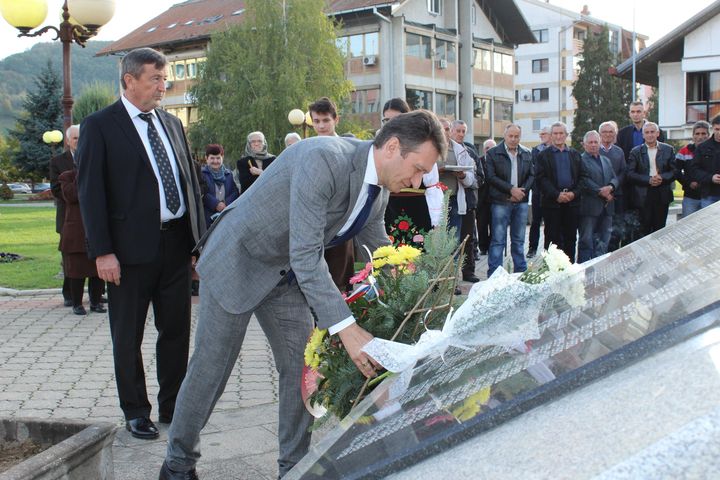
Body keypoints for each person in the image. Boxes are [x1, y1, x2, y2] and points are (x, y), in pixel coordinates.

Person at [159, 110, 447, 480]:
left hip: (286, 276)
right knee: (211, 368)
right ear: (393, 147)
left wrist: (414, 288)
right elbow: (307, 254)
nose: (418, 181)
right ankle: (177, 464)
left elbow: (378, 248)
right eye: (419, 169)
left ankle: (292, 469)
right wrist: (346, 328)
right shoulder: (324, 159)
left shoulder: (379, 189)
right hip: (240, 260)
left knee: (302, 370)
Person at [77, 47, 205, 441]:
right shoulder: (100, 125)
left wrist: (199, 244)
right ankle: (135, 411)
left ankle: (173, 406)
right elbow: (90, 194)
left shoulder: (171, 123)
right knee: (127, 335)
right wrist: (102, 252)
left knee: (176, 331)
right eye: (155, 79)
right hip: (127, 254)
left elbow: (189, 183)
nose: (163, 86)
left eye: (165, 79)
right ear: (129, 80)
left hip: (176, 246)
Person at [307, 97, 355, 292]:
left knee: (339, 281)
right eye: (316, 121)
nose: (321, 126)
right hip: (314, 222)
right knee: (314, 281)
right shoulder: (307, 148)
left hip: (341, 221)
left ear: (336, 119)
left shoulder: (349, 148)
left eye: (326, 120)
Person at [58, 154, 106, 315]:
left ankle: (96, 302)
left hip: (96, 229)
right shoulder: (66, 177)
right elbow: (71, 196)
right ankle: (77, 303)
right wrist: (82, 175)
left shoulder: (98, 176)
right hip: (76, 232)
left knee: (97, 271)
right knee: (77, 271)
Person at [485, 123, 533, 277]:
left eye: (516, 136)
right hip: (500, 202)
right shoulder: (493, 153)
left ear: (520, 137)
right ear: (504, 136)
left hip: (521, 201)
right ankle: (495, 275)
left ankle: (520, 273)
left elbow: (532, 175)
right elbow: (491, 177)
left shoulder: (527, 153)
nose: (513, 139)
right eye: (510, 136)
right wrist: (511, 190)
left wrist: (521, 192)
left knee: (519, 240)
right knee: (498, 240)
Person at [381, 98, 433, 235]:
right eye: (386, 120)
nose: (391, 124)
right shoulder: (380, 143)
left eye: (395, 119)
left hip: (415, 204)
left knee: (416, 244)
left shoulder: (421, 140)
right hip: (388, 204)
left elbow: (427, 181)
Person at [535, 122, 582, 263]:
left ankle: (569, 268)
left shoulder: (575, 154)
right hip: (552, 204)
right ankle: (551, 270)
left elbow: (582, 178)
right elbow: (541, 179)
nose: (558, 136)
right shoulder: (543, 155)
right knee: (552, 240)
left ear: (566, 135)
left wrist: (573, 194)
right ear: (551, 135)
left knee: (570, 238)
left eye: (561, 133)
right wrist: (557, 195)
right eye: (555, 133)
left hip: (572, 203)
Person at [627, 122, 676, 236]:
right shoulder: (635, 152)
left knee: (660, 230)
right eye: (647, 132)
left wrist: (662, 177)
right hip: (643, 195)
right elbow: (630, 174)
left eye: (652, 132)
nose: (650, 135)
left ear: (657, 133)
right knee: (643, 230)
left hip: (662, 193)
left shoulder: (668, 149)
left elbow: (675, 171)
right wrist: (648, 179)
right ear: (643, 135)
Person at [49, 124, 80, 307]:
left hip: (89, 217)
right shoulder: (58, 161)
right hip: (68, 216)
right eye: (75, 138)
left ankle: (96, 294)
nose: (79, 141)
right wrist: (74, 197)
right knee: (70, 258)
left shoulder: (92, 156)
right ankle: (69, 294)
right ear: (68, 141)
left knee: (91, 255)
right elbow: (55, 189)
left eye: (81, 138)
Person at [577, 130, 618, 263]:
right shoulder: (580, 160)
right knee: (586, 241)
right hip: (589, 208)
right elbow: (583, 180)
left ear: (600, 143)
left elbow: (614, 177)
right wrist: (600, 191)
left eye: (596, 142)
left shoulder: (606, 160)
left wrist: (610, 187)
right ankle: (583, 268)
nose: (593, 145)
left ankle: (600, 267)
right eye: (590, 142)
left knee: (604, 241)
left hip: (607, 208)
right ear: (584, 144)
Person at [450, 119, 482, 282]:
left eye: (463, 131)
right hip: (449, 201)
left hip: (468, 201)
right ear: (451, 131)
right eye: (458, 130)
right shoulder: (444, 150)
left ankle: (469, 272)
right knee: (451, 241)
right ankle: (451, 276)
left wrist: (464, 177)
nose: (461, 134)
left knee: (468, 239)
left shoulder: (470, 151)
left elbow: (480, 177)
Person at [599, 121, 628, 251]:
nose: (607, 134)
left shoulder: (619, 151)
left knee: (616, 231)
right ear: (599, 134)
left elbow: (623, 172)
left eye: (611, 132)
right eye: (604, 132)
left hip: (617, 195)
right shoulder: (594, 149)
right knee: (599, 230)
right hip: (598, 195)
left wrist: (611, 187)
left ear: (615, 134)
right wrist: (603, 190)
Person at [676, 121, 710, 217]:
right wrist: (688, 183)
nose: (700, 137)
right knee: (688, 224)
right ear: (693, 135)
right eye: (697, 134)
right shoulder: (684, 151)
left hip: (710, 196)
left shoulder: (715, 150)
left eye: (703, 133)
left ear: (708, 135)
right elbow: (676, 171)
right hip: (690, 197)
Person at [201, 144, 239, 228]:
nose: (215, 161)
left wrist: (225, 204)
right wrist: (216, 204)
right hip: (207, 217)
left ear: (222, 158)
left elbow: (235, 192)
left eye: (218, 158)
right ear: (206, 158)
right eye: (212, 158)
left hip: (226, 215)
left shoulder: (229, 174)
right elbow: (202, 192)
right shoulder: (201, 174)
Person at [527, 126, 551, 258]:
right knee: (535, 221)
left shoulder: (554, 150)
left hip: (551, 193)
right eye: (540, 134)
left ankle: (548, 250)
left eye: (544, 134)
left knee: (550, 223)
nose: (541, 136)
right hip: (537, 191)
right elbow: (532, 169)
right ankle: (532, 248)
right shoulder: (535, 150)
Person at [689, 115, 720, 209]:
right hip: (709, 194)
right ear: (712, 128)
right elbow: (694, 170)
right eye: (717, 129)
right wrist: (711, 177)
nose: (719, 132)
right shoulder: (702, 147)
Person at [475, 139, 496, 256]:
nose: (489, 150)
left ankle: (492, 246)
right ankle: (483, 247)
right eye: (487, 148)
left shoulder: (499, 161)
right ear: (484, 150)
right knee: (481, 225)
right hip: (482, 200)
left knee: (494, 225)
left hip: (495, 200)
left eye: (492, 148)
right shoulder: (479, 161)